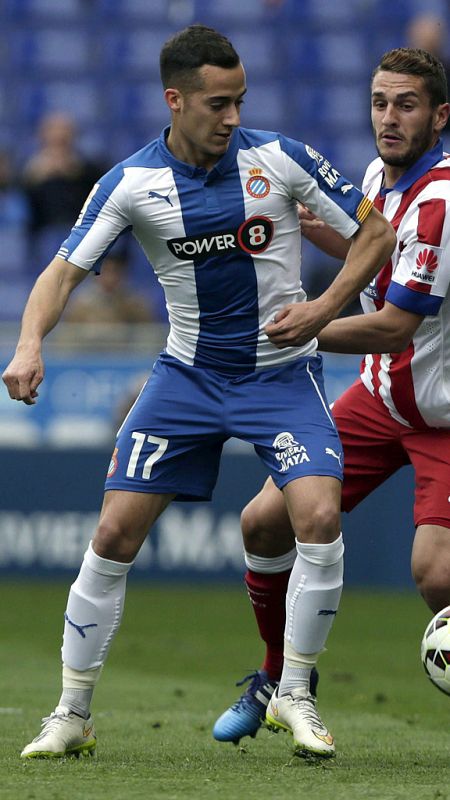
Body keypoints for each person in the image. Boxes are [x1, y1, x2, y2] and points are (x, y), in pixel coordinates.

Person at [2, 24, 394, 761]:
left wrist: (323, 307)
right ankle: (71, 711)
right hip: (186, 376)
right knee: (114, 534)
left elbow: (375, 234)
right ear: (175, 101)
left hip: (279, 375)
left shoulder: (281, 157)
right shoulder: (129, 183)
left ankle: (296, 694)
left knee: (317, 513)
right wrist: (29, 344)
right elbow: (60, 273)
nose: (233, 117)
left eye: (241, 100)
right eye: (218, 103)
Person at [213, 46, 450, 747]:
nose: (388, 117)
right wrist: (278, 222)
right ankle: (281, 677)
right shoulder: (382, 175)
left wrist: (305, 329)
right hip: (380, 400)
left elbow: (395, 325)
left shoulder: (441, 201)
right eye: (380, 102)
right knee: (264, 522)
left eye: (406, 104)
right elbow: (364, 249)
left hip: (443, 415)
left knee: (436, 573)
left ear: (441, 115)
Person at [21, 111, 108, 276]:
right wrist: (33, 178)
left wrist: (75, 171)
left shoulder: (87, 167)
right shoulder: (30, 169)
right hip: (42, 233)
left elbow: (103, 192)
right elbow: (22, 207)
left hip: (81, 230)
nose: (59, 136)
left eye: (64, 131)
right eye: (53, 130)